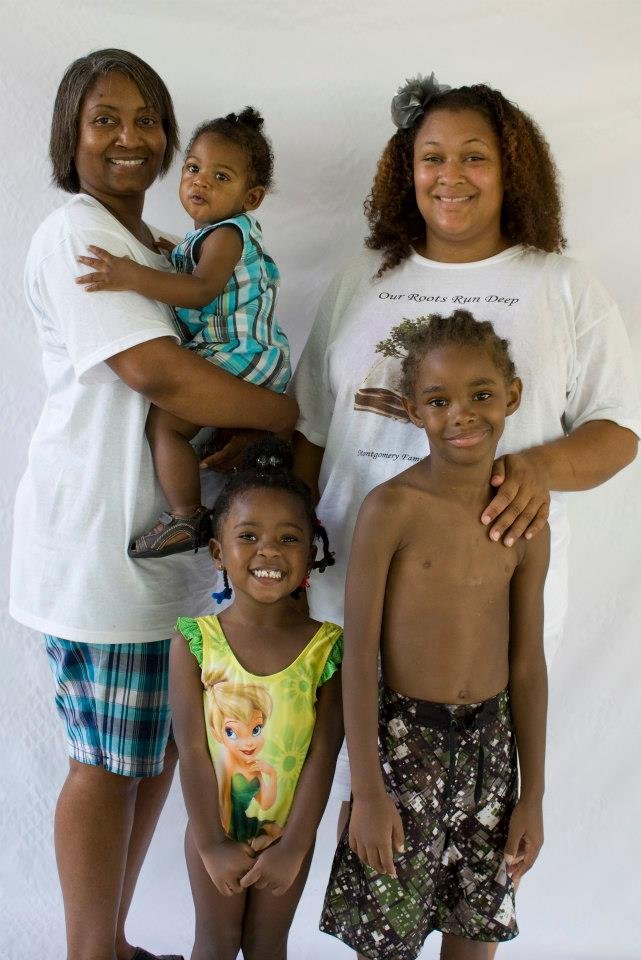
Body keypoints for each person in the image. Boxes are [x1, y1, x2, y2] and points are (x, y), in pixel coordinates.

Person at [291, 73, 641, 840]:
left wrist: (540, 468)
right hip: (342, 599)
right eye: (432, 157)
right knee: (326, 813)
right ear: (406, 170)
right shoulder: (362, 280)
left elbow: (618, 429)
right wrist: (289, 565)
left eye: (474, 156)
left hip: (479, 615)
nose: (451, 176)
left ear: (512, 169)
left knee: (467, 836)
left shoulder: (561, 286)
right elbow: (312, 430)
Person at [9, 49, 297, 960]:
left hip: (166, 556)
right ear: (71, 134)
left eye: (145, 120)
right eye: (105, 118)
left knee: (155, 754)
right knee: (107, 762)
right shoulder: (80, 236)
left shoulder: (158, 248)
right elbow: (158, 374)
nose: (128, 136)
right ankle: (89, 952)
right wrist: (283, 414)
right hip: (104, 546)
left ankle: (113, 943)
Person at [320, 310, 549, 959]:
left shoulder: (523, 520)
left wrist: (531, 795)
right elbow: (358, 657)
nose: (462, 414)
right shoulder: (391, 509)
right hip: (402, 751)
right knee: (386, 938)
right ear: (413, 410)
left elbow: (527, 664)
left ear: (512, 396)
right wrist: (367, 790)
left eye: (481, 394)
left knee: (475, 934)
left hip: (491, 754)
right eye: (439, 400)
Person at [75, 108, 290, 558]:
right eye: (193, 168)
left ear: (251, 197)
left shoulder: (227, 235)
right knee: (226, 450)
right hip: (246, 353)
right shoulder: (210, 237)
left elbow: (200, 291)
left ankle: (185, 515)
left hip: (239, 351)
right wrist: (175, 253)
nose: (200, 181)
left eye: (221, 176)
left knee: (165, 424)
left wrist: (132, 274)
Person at [170, 438, 343, 960]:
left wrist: (294, 845)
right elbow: (192, 752)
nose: (268, 550)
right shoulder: (195, 642)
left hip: (289, 838)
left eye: (288, 538)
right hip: (214, 831)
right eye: (248, 536)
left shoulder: (326, 648)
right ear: (218, 551)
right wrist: (211, 844)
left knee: (268, 945)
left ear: (311, 552)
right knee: (216, 944)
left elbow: (323, 754)